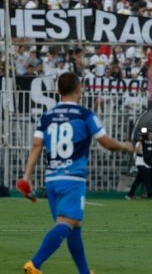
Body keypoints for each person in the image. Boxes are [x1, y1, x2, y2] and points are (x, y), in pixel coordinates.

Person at [22, 72, 133, 274]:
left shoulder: (46, 117)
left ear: (57, 91)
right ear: (79, 89)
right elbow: (106, 142)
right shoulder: (84, 115)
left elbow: (36, 146)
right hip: (72, 178)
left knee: (74, 225)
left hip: (52, 179)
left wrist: (26, 176)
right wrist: (125, 146)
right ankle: (35, 264)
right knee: (66, 223)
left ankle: (83, 271)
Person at [126, 128, 152, 200]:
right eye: (149, 135)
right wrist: (141, 141)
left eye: (151, 135)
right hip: (140, 163)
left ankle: (129, 195)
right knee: (147, 179)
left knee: (138, 180)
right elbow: (137, 151)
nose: (151, 136)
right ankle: (151, 194)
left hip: (147, 164)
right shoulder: (140, 143)